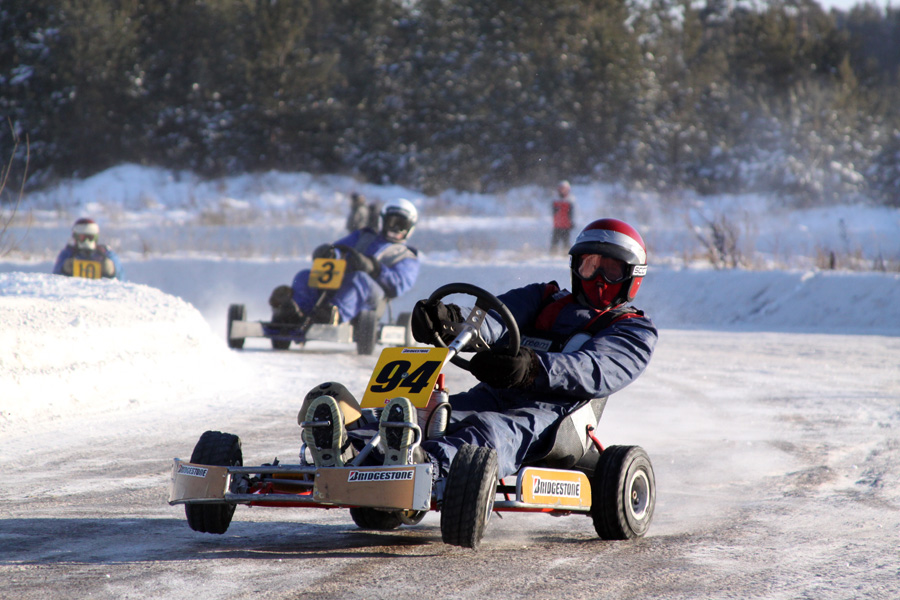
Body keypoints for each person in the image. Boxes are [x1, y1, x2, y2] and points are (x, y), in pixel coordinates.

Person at [300, 218, 657, 484]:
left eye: (609, 270)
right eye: (589, 265)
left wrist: (532, 367)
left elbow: (595, 369)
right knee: (426, 415)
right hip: (495, 393)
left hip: (554, 416)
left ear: (631, 276)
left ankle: (425, 465)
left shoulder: (633, 329)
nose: (597, 277)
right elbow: (490, 321)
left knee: (485, 430)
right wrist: (448, 322)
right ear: (576, 267)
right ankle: (354, 440)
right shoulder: (543, 297)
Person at [269, 198, 420, 326]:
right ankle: (295, 313)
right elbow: (338, 248)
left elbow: (399, 285)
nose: (396, 229)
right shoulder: (363, 236)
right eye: (392, 222)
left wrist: (374, 268)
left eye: (402, 225)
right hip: (338, 283)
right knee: (304, 276)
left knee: (359, 279)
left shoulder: (407, 256)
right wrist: (328, 252)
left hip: (371, 298)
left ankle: (333, 315)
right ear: (383, 221)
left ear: (410, 228)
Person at [53, 218, 123, 280]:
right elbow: (55, 278)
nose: (87, 241)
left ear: (96, 237)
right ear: (76, 237)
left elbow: (121, 279)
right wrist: (63, 269)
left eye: (90, 237)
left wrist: (112, 271)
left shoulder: (107, 254)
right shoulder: (67, 254)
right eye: (83, 237)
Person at [550, 180, 575, 255]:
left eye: (563, 188)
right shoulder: (555, 200)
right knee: (554, 242)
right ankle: (552, 255)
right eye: (560, 188)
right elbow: (551, 213)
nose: (561, 190)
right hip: (557, 225)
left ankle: (566, 256)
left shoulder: (570, 200)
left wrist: (572, 222)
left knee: (566, 242)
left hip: (566, 226)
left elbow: (574, 213)